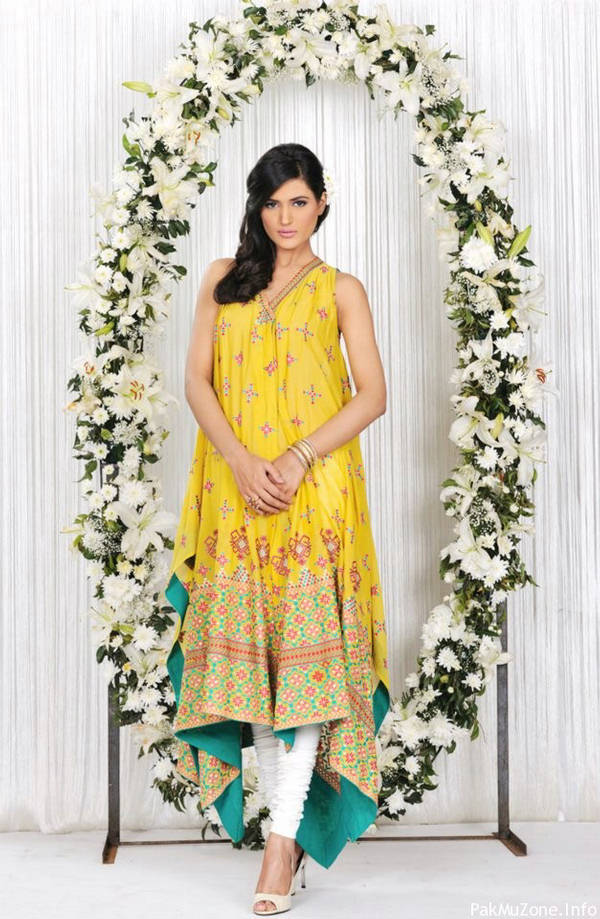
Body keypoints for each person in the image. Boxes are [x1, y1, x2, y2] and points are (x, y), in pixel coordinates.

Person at [164, 143, 391, 915]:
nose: (286, 217)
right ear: (256, 207)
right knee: (254, 673)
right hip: (235, 497)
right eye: (272, 202)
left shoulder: (341, 290)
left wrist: (296, 457)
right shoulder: (223, 279)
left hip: (312, 498)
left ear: (322, 202)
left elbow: (372, 394)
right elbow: (196, 380)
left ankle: (280, 839)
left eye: (299, 201)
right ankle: (284, 840)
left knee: (305, 673)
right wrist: (238, 460)